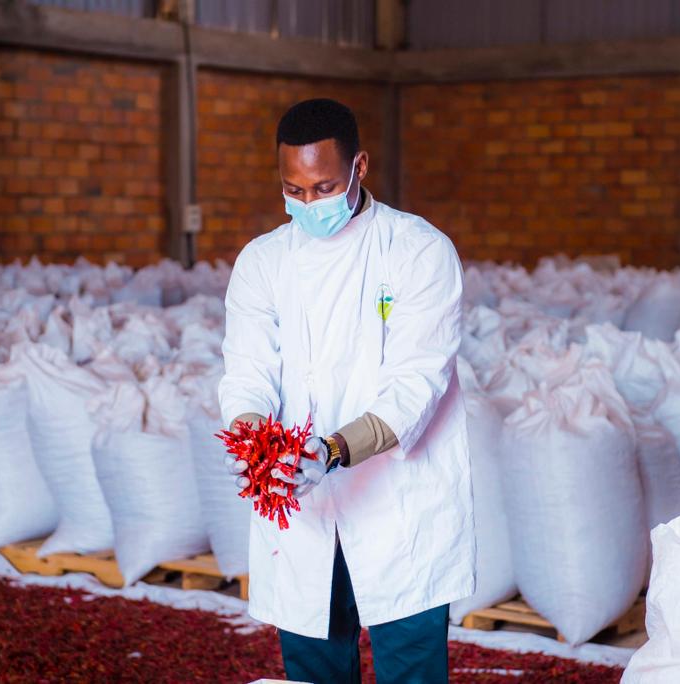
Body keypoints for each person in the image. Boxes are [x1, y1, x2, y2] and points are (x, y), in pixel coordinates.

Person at [218, 98, 476, 683]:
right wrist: (255, 441)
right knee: (313, 671)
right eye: (294, 190)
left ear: (360, 166)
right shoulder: (262, 263)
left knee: (409, 666)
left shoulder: (416, 250)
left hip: (398, 505)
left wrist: (331, 451)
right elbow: (247, 371)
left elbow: (417, 381)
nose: (309, 203)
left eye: (324, 186)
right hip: (302, 508)